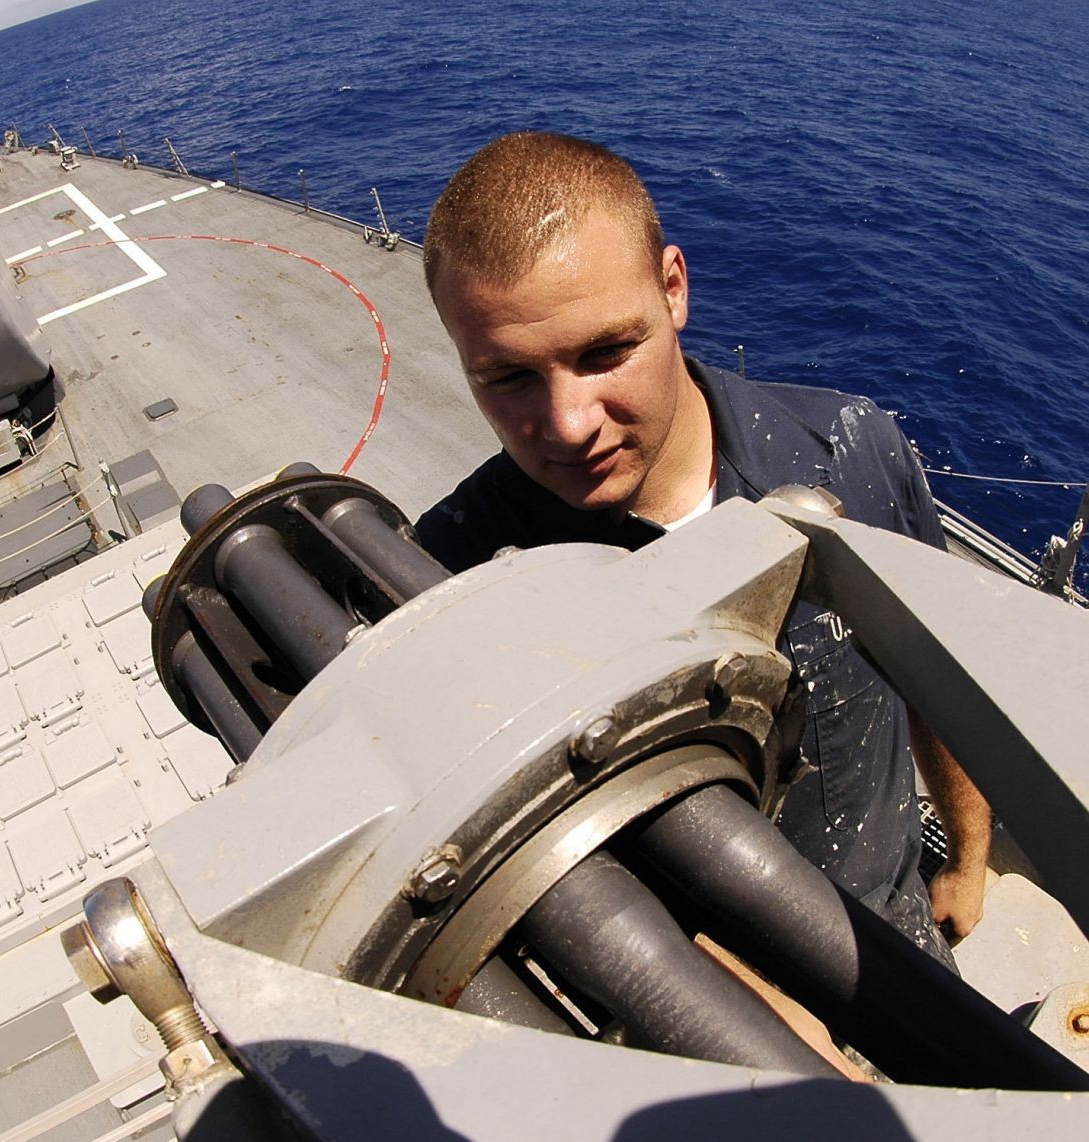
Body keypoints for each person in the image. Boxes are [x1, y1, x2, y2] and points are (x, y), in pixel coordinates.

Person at [415, 131, 991, 962]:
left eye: (606, 352)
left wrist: (968, 860)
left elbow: (941, 675)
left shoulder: (854, 450)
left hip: (895, 941)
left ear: (675, 288)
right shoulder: (450, 574)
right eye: (507, 377)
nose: (570, 425)